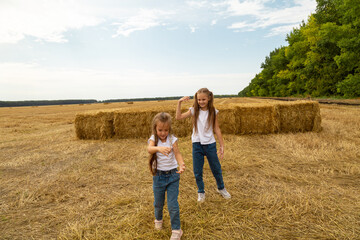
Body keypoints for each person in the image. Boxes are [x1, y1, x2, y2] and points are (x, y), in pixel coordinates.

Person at [176, 88, 231, 202]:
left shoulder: (213, 111)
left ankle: (221, 188)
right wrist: (179, 102)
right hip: (197, 145)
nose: (201, 101)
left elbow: (217, 128)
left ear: (209, 98)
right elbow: (178, 117)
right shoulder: (193, 110)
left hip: (210, 144)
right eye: (199, 99)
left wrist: (221, 145)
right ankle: (201, 192)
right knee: (197, 171)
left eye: (203, 99)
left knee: (216, 169)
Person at [147, 112, 186, 240]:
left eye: (166, 130)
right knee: (158, 203)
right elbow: (149, 149)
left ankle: (176, 230)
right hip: (158, 176)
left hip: (173, 176)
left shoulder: (172, 139)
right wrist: (159, 148)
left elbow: (177, 153)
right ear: (155, 128)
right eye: (160, 130)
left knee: (172, 204)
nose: (163, 133)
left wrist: (181, 164)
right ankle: (158, 219)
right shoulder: (154, 139)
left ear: (169, 129)